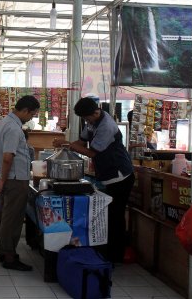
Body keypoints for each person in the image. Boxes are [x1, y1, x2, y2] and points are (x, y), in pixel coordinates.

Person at [67, 97, 134, 263]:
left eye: (87, 118)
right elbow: (82, 141)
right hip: (107, 175)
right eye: (84, 119)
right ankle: (107, 252)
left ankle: (115, 256)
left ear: (96, 112)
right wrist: (66, 146)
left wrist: (68, 144)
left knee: (116, 217)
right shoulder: (92, 121)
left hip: (120, 176)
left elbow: (92, 152)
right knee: (109, 216)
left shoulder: (106, 126)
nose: (86, 121)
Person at [0, 95, 40, 271]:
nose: (31, 118)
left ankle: (3, 251)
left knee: (5, 216)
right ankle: (9, 256)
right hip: (14, 179)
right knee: (12, 218)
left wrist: (2, 179)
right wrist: (4, 180)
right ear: (25, 111)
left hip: (10, 178)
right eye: (32, 115)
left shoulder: (6, 122)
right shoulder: (13, 128)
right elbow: (8, 158)